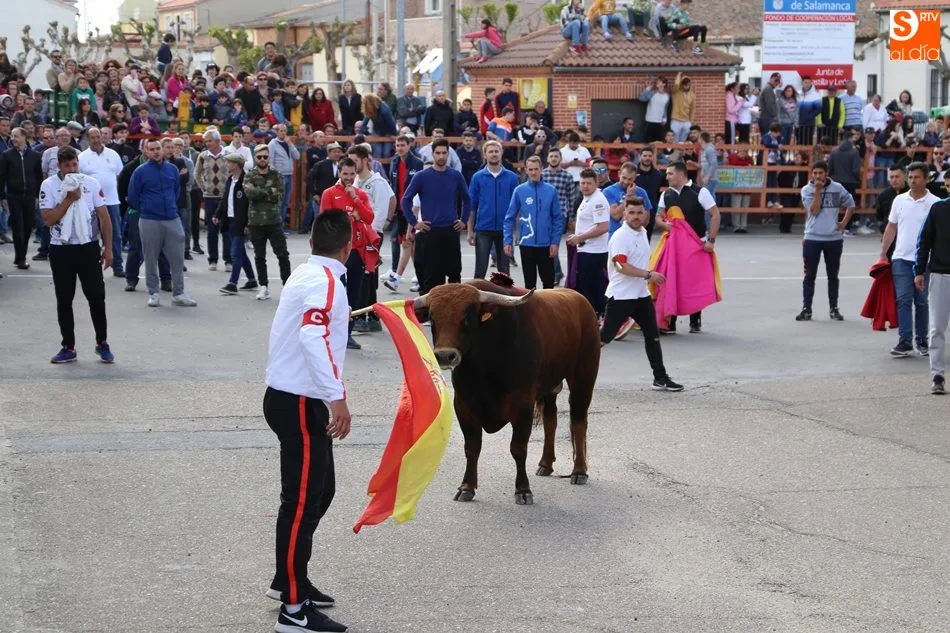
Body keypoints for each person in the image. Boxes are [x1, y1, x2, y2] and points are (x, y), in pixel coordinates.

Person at [262, 209, 351, 633]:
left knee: (321, 490)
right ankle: (293, 611)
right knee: (299, 503)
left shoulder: (307, 272)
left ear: (312, 241)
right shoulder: (326, 281)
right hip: (300, 400)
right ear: (349, 246)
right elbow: (313, 335)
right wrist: (337, 398)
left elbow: (317, 327)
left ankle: (289, 578)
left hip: (293, 397)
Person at [39, 145, 115, 363]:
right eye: (67, 165)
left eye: (74, 164)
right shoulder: (49, 185)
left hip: (88, 246)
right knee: (64, 299)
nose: (72, 168)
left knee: (97, 297)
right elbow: (48, 219)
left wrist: (108, 247)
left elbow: (104, 217)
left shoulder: (90, 183)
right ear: (59, 166)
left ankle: (102, 342)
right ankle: (68, 346)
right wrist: (70, 199)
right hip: (61, 248)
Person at [600, 197, 683, 391]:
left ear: (645, 214)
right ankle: (574, 368)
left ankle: (660, 378)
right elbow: (620, 266)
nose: (636, 217)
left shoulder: (643, 232)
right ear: (624, 214)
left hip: (640, 295)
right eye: (631, 213)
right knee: (604, 338)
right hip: (621, 296)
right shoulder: (620, 236)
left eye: (639, 213)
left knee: (652, 336)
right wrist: (648, 275)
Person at [127, 138, 197, 308]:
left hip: (172, 218)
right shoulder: (140, 172)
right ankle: (153, 293)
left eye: (158, 148)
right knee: (150, 258)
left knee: (177, 258)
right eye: (151, 149)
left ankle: (179, 293)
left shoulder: (172, 169)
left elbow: (175, 191)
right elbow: (133, 196)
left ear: (163, 150)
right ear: (146, 151)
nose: (156, 151)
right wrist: (147, 208)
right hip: (149, 219)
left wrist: (170, 207)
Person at [879, 162, 939, 357]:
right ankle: (904, 341)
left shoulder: (935, 203)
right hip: (901, 259)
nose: (913, 181)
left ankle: (922, 341)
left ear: (926, 179)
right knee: (903, 299)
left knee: (922, 302)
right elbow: (891, 227)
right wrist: (883, 254)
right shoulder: (899, 200)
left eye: (917, 177)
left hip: (926, 261)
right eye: (910, 177)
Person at [655, 161, 721, 333]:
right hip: (674, 246)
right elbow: (658, 217)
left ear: (682, 174)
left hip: (696, 245)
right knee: (672, 280)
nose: (667, 177)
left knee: (693, 281)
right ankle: (671, 321)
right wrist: (664, 226)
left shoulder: (700, 191)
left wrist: (711, 241)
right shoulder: (666, 194)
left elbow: (715, 215)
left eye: (670, 174)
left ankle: (695, 319)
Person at [401, 138, 471, 294]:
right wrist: (414, 223)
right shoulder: (421, 176)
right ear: (432, 154)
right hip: (429, 233)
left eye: (444, 153)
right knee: (431, 280)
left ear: (448, 154)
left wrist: (464, 220)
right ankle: (431, 315)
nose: (441, 156)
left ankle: (454, 314)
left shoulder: (455, 176)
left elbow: (467, 199)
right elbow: (405, 200)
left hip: (450, 231)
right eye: (438, 153)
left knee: (454, 278)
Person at [319, 156, 375, 349]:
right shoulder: (329, 193)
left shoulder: (360, 194)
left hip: (356, 250)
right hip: (336, 251)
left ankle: (348, 333)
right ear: (339, 173)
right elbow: (326, 220)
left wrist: (355, 200)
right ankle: (333, 332)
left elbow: (369, 217)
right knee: (337, 294)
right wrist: (348, 217)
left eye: (352, 174)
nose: (349, 178)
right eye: (345, 174)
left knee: (354, 294)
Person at [796, 160, 854, 322]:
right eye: (815, 173)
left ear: (826, 173)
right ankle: (807, 308)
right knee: (809, 275)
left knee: (833, 275)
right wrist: (817, 191)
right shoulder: (807, 190)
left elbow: (850, 204)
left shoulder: (838, 188)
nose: (817, 176)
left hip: (833, 239)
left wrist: (843, 223)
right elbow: (814, 211)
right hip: (812, 237)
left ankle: (834, 308)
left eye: (820, 173)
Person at [351, 143, 395, 334]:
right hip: (357, 236)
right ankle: (371, 315)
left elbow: (382, 209)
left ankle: (365, 315)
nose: (352, 165)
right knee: (365, 276)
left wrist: (372, 234)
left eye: (354, 161)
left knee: (366, 276)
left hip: (370, 236)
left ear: (364, 160)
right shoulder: (355, 183)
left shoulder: (377, 183)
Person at [503, 156, 563, 289]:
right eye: (530, 169)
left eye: (536, 169)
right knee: (529, 284)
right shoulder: (519, 191)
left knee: (548, 282)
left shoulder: (550, 190)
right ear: (526, 170)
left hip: (546, 244)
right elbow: (509, 217)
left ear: (542, 169)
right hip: (526, 244)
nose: (534, 172)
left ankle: (548, 310)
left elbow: (558, 218)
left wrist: (555, 241)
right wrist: (507, 241)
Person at [245, 144, 292, 301]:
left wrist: (260, 192)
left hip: (274, 221)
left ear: (269, 158)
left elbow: (279, 195)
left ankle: (287, 286)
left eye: (265, 156)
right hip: (256, 221)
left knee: (283, 254)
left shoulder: (276, 175)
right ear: (255, 158)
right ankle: (263, 286)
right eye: (259, 157)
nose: (262, 159)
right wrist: (268, 192)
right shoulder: (249, 175)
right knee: (259, 256)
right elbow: (249, 193)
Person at [467, 140, 520, 279]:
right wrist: (470, 231)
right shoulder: (477, 177)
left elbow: (517, 207)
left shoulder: (512, 177)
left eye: (496, 151)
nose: (494, 154)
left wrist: (517, 231)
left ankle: (504, 300)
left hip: (505, 230)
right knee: (480, 269)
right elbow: (472, 206)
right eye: (490, 151)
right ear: (485, 155)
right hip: (483, 229)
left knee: (504, 272)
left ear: (501, 153)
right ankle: (479, 300)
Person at [915, 191, 950, 394]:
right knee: (937, 327)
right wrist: (919, 271)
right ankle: (937, 374)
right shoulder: (938, 209)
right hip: (940, 274)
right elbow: (924, 241)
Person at [78, 127, 124, 277]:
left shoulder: (113, 154)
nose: (97, 140)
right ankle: (91, 265)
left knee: (115, 234)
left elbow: (119, 174)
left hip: (112, 201)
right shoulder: (82, 157)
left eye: (98, 136)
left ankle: (117, 266)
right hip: (90, 204)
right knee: (91, 234)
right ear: (88, 139)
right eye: (93, 138)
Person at [568, 168, 610, 317]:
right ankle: (595, 315)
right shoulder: (587, 198)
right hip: (585, 249)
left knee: (594, 287)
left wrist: (580, 238)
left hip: (594, 251)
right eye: (582, 183)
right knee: (586, 286)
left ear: (596, 183)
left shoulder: (598, 199)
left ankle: (602, 315)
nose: (585, 186)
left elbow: (604, 227)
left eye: (589, 183)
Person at [384, 135, 424, 292]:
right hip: (400, 211)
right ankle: (420, 277)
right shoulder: (394, 162)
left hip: (413, 209)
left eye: (402, 145)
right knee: (408, 244)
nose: (399, 148)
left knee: (408, 243)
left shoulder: (418, 163)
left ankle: (397, 277)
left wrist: (417, 209)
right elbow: (394, 187)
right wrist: (393, 208)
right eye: (397, 145)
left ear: (409, 146)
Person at [216, 152, 259, 295]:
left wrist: (248, 223)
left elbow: (252, 204)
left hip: (241, 222)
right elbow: (225, 199)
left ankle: (232, 283)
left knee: (235, 253)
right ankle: (252, 279)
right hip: (230, 220)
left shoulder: (246, 181)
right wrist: (218, 214)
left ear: (236, 165)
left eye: (228, 162)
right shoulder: (230, 180)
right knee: (240, 252)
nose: (226, 164)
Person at [1, 127, 43, 269]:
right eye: (12, 136)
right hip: (14, 196)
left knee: (27, 228)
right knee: (18, 229)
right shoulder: (7, 155)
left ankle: (20, 255)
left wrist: (38, 196)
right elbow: (2, 177)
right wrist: (3, 197)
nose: (13, 139)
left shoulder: (35, 155)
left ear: (24, 137)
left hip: (30, 197)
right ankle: (21, 258)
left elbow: (39, 178)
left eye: (16, 136)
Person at [195, 128, 230, 270]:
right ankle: (213, 260)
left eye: (209, 141)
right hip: (210, 198)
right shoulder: (203, 156)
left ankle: (228, 260)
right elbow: (197, 174)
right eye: (206, 141)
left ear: (217, 141)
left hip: (225, 198)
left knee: (226, 230)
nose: (207, 143)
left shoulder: (228, 154)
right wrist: (204, 188)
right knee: (212, 230)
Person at [542, 147, 576, 286]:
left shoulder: (567, 176)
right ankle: (558, 272)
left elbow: (571, 198)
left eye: (556, 156)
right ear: (547, 159)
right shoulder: (542, 175)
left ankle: (556, 273)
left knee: (553, 242)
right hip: (544, 214)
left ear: (560, 159)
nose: (554, 158)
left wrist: (572, 218)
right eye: (551, 156)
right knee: (548, 244)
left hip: (560, 214)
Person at [604, 161, 652, 237]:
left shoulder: (641, 192)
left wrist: (635, 233)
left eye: (630, 179)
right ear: (619, 174)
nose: (626, 182)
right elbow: (616, 216)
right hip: (614, 236)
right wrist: (629, 196)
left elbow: (646, 218)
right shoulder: (608, 191)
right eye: (624, 178)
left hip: (635, 236)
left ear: (635, 177)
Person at [639, 76, 670, 143]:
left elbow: (665, 108)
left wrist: (665, 118)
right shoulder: (653, 93)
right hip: (650, 121)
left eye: (659, 81)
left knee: (658, 143)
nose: (657, 82)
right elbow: (641, 98)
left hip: (659, 123)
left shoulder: (667, 96)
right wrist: (648, 88)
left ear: (664, 84)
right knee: (648, 142)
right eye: (657, 81)